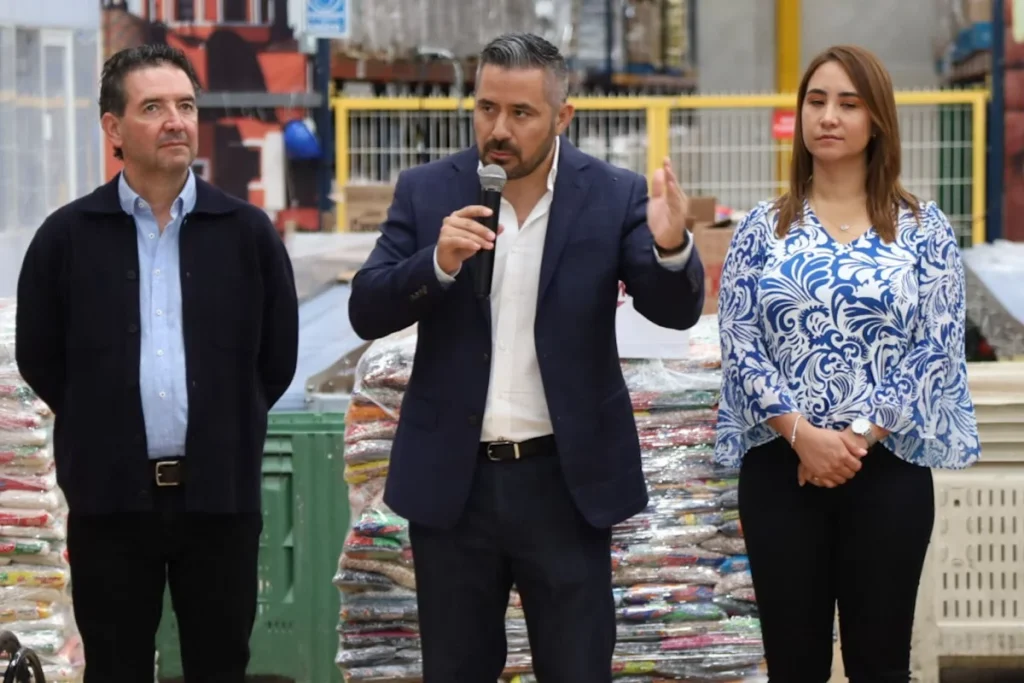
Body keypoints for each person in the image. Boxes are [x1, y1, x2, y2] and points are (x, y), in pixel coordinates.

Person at [348, 32, 705, 682]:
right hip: (455, 489)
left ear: (562, 117)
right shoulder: (429, 191)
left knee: (576, 669)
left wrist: (673, 244)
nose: (499, 129)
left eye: (521, 113)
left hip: (564, 484)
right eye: (487, 108)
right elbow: (366, 307)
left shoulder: (613, 195)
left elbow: (673, 309)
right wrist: (436, 263)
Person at [15, 44, 299, 683]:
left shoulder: (248, 233)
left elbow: (275, 358)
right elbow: (40, 356)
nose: (176, 120)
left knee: (220, 665)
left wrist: (228, 423)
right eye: (153, 107)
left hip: (220, 503)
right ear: (113, 129)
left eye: (185, 105)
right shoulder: (66, 237)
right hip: (109, 502)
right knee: (114, 668)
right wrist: (102, 419)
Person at [714, 44, 981, 682]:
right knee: (793, 663)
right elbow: (740, 340)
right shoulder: (760, 228)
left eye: (848, 103)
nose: (828, 116)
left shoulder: (923, 229)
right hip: (782, 472)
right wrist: (802, 437)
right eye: (816, 100)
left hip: (887, 473)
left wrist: (855, 440)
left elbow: (935, 346)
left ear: (876, 120)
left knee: (879, 663)